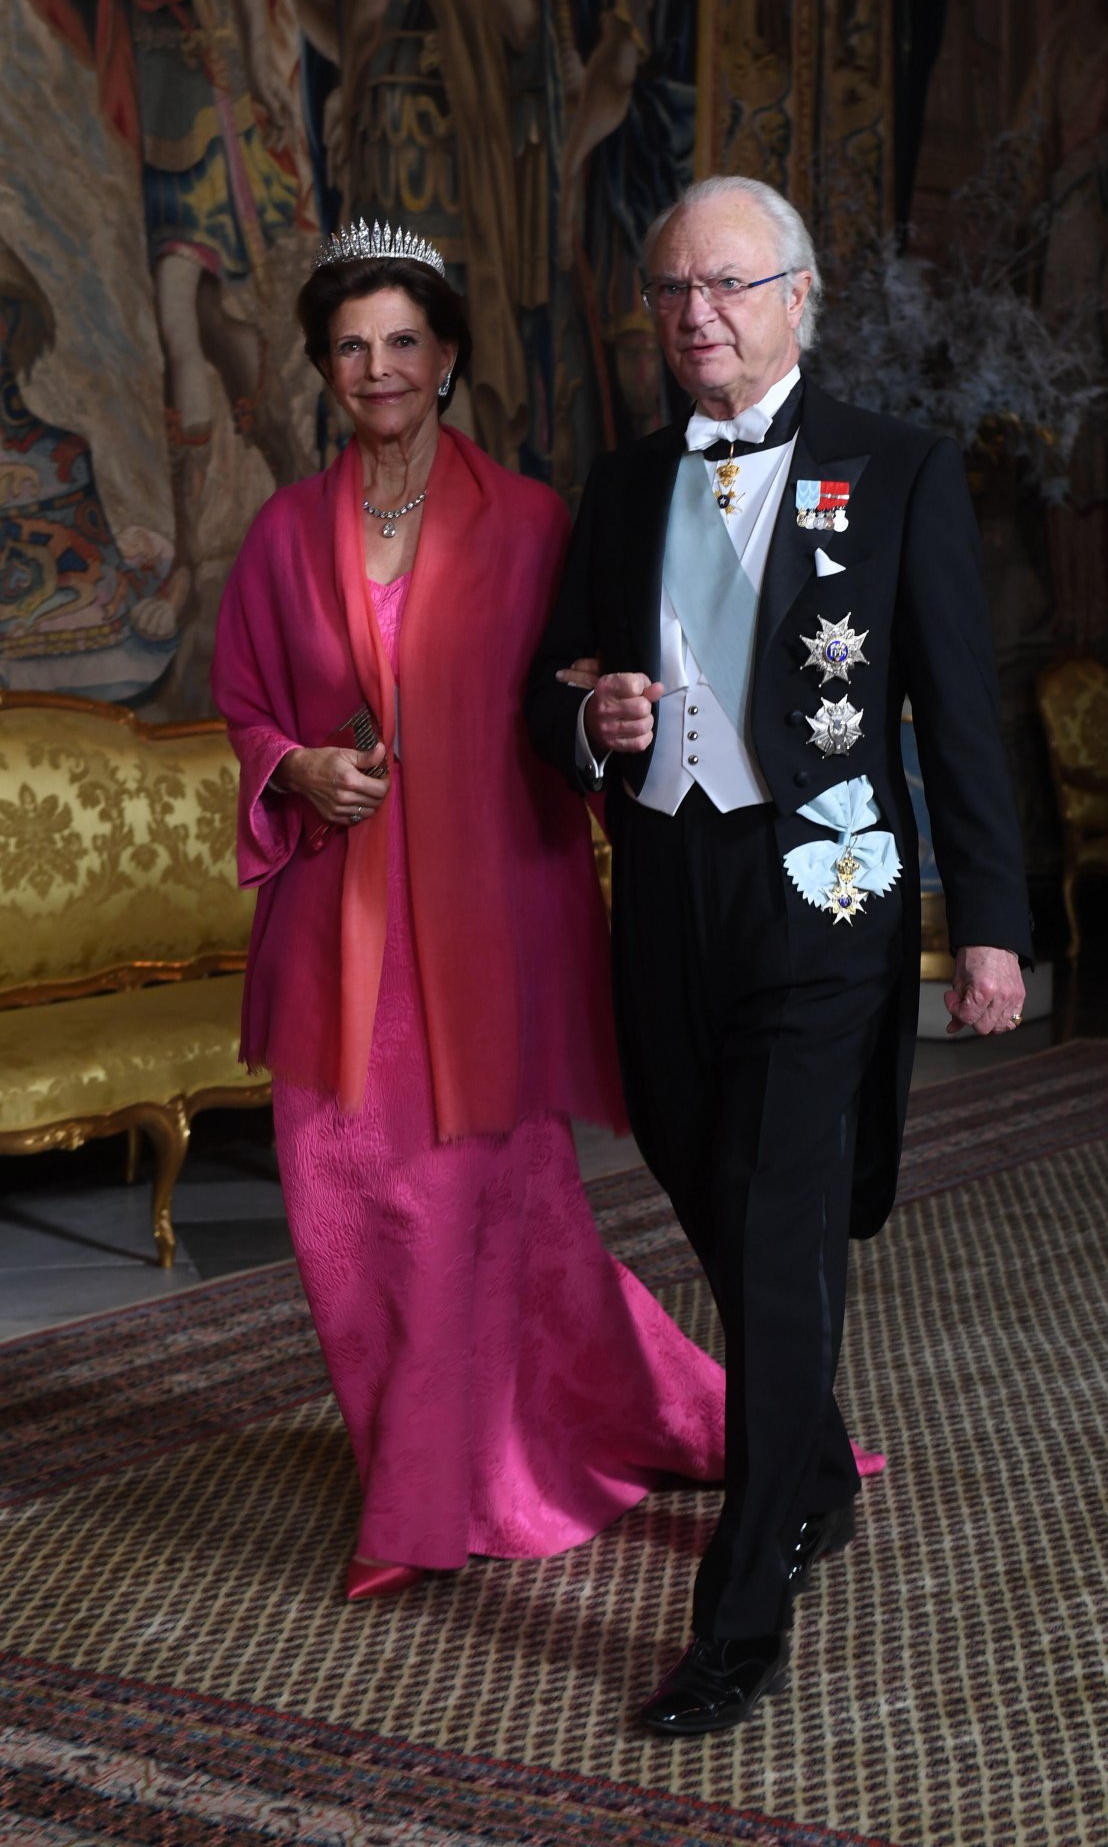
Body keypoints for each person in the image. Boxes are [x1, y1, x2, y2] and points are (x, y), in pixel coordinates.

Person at [526, 175, 1032, 1736]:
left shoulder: (897, 470)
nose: (700, 317)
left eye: (731, 287)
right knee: (700, 1170)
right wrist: (591, 722)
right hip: (671, 891)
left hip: (827, 900)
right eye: (675, 292)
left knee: (780, 1222)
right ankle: (810, 1458)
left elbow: (957, 709)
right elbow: (557, 694)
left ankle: (744, 1611)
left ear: (798, 298)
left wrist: (994, 924)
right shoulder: (618, 486)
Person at [210, 219, 741, 1599]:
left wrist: (603, 716)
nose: (377, 368)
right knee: (337, 1205)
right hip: (339, 929)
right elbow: (250, 704)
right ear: (326, 369)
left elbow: (574, 701)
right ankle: (444, 1449)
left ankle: (432, 1505)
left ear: (445, 358)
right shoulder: (281, 532)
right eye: (349, 347)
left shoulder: (530, 524)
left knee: (459, 1210)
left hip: (488, 922)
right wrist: (297, 767)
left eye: (402, 342)